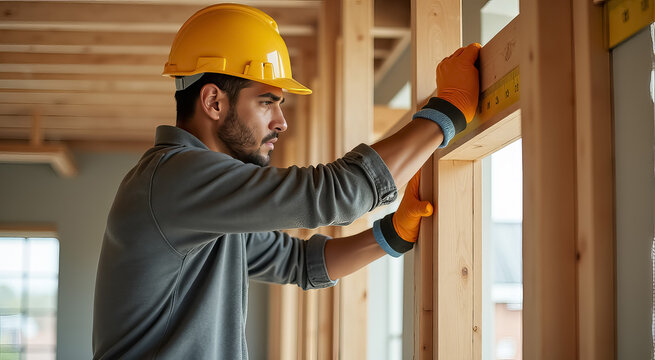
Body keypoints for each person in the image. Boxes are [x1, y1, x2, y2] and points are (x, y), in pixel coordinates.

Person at [92, 3, 480, 359]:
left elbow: (300, 262)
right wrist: (447, 110)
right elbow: (334, 194)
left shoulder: (206, 199)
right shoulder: (174, 180)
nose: (281, 122)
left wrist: (392, 234)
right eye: (266, 102)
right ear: (213, 102)